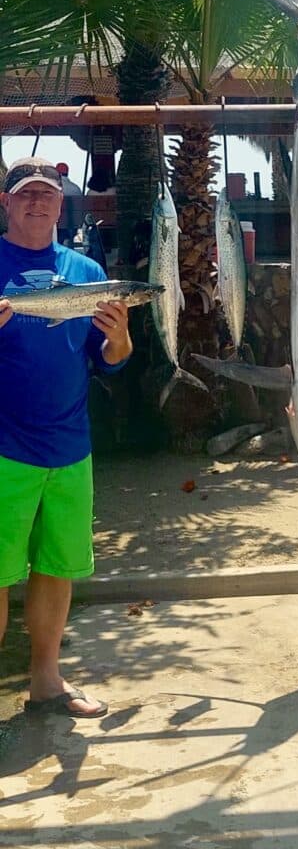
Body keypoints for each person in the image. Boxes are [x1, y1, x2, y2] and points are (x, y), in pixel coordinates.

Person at [0, 156, 133, 719]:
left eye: (48, 195)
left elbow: (109, 361)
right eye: (27, 194)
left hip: (70, 447)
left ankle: (47, 682)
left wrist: (120, 336)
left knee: (57, 569)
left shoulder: (84, 271)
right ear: (6, 202)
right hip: (5, 449)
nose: (38, 203)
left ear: (61, 204)